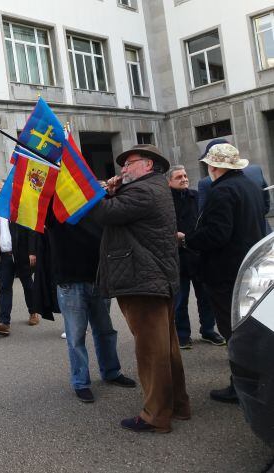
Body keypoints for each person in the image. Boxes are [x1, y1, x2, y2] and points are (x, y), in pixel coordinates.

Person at [91, 144, 190, 433]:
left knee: (151, 352)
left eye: (129, 163)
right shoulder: (153, 187)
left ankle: (155, 416)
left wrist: (89, 190)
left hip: (143, 282)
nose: (122, 169)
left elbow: (104, 213)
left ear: (148, 165)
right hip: (153, 279)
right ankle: (179, 405)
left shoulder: (144, 190)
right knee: (167, 348)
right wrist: (111, 189)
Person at [180, 143, 266, 403]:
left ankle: (240, 387)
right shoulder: (249, 185)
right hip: (249, 267)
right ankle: (256, 381)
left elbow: (217, 234)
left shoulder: (222, 191)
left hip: (227, 273)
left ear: (214, 167)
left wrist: (188, 239)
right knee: (250, 329)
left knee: (234, 332)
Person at [47, 214, 136, 402]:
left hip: (99, 277)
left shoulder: (95, 201)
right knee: (76, 336)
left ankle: (111, 372)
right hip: (70, 282)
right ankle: (80, 382)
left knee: (106, 331)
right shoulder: (52, 207)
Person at [166, 165, 225, 349]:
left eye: (185, 175)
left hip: (198, 255)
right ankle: (182, 335)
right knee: (180, 299)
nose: (184, 178)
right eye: (178, 177)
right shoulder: (165, 200)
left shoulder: (196, 196)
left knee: (205, 297)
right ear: (169, 181)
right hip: (177, 258)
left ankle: (208, 330)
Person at [0, 179, 39, 336]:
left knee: (28, 285)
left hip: (21, 254)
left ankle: (33, 312)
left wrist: (32, 251)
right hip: (3, 256)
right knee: (5, 288)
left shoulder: (17, 206)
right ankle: (4, 322)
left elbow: (31, 229)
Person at [197, 139, 271, 232]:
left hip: (234, 239)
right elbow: (266, 204)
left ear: (212, 166)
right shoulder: (255, 172)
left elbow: (203, 216)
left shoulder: (207, 183)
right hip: (262, 233)